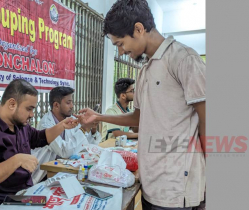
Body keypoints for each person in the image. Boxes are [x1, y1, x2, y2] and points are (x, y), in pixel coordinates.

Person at [77, 0, 206, 209]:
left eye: (120, 44)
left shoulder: (183, 59)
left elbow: (207, 117)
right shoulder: (145, 70)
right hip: (150, 183)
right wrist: (99, 117)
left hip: (175, 188)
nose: (120, 52)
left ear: (138, 29)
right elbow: (138, 117)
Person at [0, 79, 79, 207]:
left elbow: (39, 138)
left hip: (25, 194)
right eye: (29, 109)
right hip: (3, 201)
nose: (32, 114)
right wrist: (17, 160)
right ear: (12, 104)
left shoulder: (19, 124)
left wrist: (61, 126)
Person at [31, 87, 102, 184]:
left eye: (72, 102)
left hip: (64, 170)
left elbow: (87, 145)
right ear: (56, 105)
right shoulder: (46, 125)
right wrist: (84, 128)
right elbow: (64, 151)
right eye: (68, 103)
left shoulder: (71, 119)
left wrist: (92, 128)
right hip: (45, 175)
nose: (72, 106)